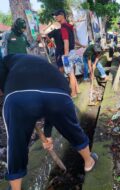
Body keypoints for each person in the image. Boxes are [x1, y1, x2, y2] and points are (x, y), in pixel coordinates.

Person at [0, 54, 98, 190]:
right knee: (73, 130)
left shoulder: (7, 59)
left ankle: (16, 188)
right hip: (59, 96)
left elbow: (2, 80)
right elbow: (51, 110)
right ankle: (88, 162)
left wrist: (6, 91)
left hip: (18, 97)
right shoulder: (45, 65)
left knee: (16, 143)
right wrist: (48, 134)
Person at [52, 9, 80, 98]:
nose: (55, 17)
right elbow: (72, 40)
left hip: (68, 53)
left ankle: (73, 93)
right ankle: (77, 90)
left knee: (70, 74)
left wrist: (66, 55)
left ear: (62, 15)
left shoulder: (63, 27)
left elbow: (66, 41)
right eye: (55, 15)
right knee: (72, 73)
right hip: (72, 51)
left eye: (57, 15)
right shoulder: (69, 26)